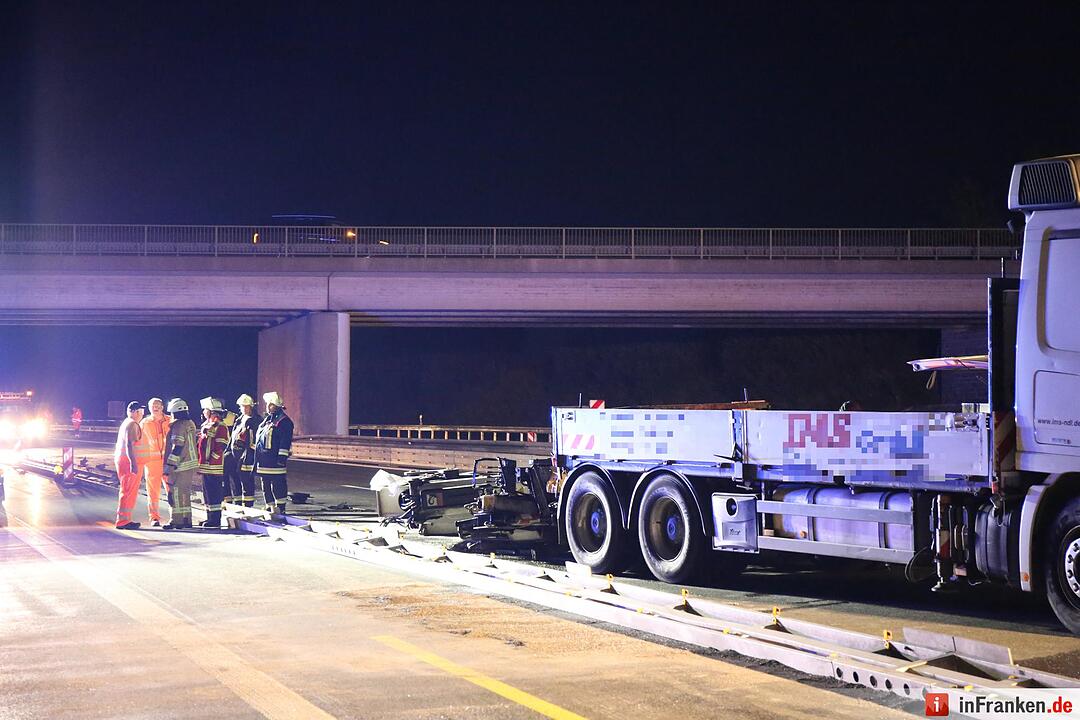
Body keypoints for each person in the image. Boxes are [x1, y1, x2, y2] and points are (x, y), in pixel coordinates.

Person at [254, 391, 293, 516]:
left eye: (269, 404)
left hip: (275, 460)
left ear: (274, 406)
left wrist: (281, 458)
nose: (267, 406)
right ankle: (269, 506)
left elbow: (285, 442)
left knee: (278, 483)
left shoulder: (284, 422)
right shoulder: (267, 420)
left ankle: (280, 507)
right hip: (264, 459)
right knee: (265, 483)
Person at [162, 398, 198, 530]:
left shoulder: (178, 426)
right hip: (190, 465)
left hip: (179, 465)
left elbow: (177, 446)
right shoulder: (191, 423)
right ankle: (186, 519)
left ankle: (176, 521)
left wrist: (169, 466)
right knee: (185, 493)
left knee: (175, 493)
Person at [137, 397, 171, 527]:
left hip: (168, 461)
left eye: (157, 405)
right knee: (152, 492)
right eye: (152, 406)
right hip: (152, 463)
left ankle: (174, 516)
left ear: (162, 407)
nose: (155, 408)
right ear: (149, 408)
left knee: (171, 490)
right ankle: (154, 517)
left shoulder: (170, 421)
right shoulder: (144, 423)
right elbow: (138, 442)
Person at [197, 397, 230, 528]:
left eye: (206, 410)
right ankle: (209, 517)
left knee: (215, 493)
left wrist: (212, 458)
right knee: (207, 493)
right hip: (206, 465)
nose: (204, 412)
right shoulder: (207, 425)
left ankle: (215, 520)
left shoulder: (220, 426)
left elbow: (221, 446)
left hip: (214, 466)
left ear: (211, 411)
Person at [226, 394, 261, 508]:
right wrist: (227, 452)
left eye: (247, 407)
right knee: (234, 478)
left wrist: (248, 454)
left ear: (251, 407)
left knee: (246, 480)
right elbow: (232, 437)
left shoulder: (256, 421)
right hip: (235, 454)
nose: (244, 409)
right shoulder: (239, 419)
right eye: (242, 407)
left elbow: (254, 441)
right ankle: (237, 502)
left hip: (247, 455)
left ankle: (248, 505)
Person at [114, 401, 145, 530]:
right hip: (128, 462)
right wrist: (133, 463)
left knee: (127, 490)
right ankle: (123, 521)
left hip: (123, 460)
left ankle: (125, 519)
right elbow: (129, 445)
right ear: (134, 412)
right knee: (128, 491)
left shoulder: (126, 423)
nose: (141, 414)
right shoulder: (132, 424)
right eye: (140, 412)